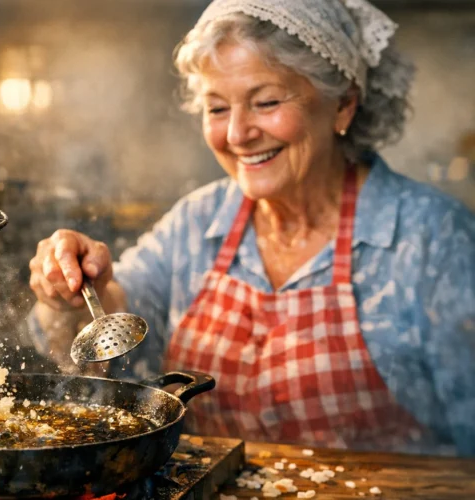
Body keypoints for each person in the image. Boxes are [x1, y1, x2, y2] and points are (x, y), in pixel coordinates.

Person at [26, 0, 475, 456]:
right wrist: (69, 293)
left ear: (343, 105)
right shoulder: (197, 224)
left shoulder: (431, 239)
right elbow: (104, 357)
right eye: (217, 108)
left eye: (266, 102)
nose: (237, 134)